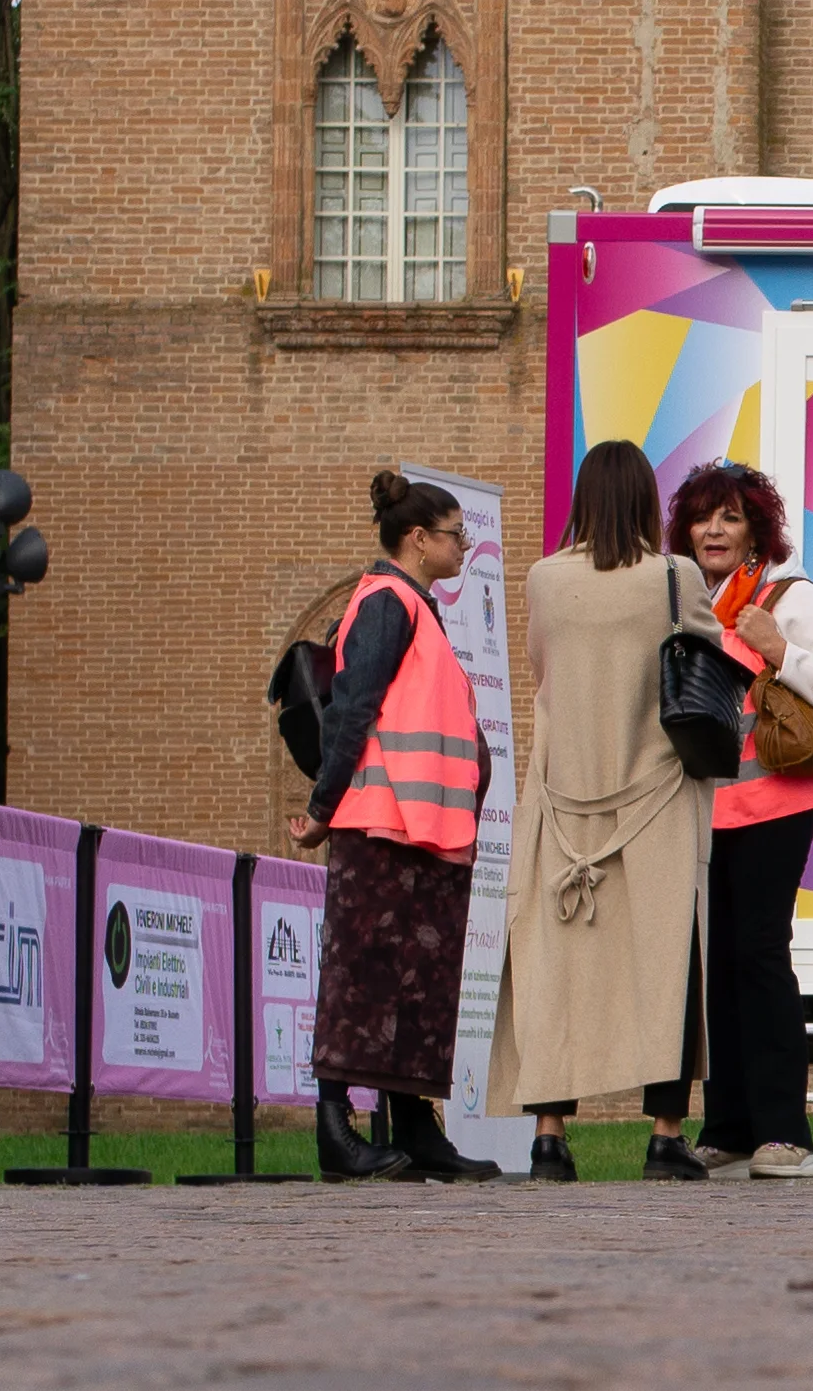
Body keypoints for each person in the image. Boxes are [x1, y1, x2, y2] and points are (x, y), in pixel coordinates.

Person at [487, 440, 712, 1180]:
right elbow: (710, 661)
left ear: (583, 498)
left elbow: (541, 668)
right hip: (656, 802)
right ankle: (664, 1134)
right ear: (648, 500)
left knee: (558, 973)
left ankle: (549, 1137)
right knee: (667, 965)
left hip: (563, 802)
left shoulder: (544, 580)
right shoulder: (676, 577)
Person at [289, 468, 496, 1182]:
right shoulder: (384, 602)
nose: (462, 546)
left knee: (417, 985)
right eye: (453, 535)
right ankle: (335, 1131)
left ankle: (415, 1126)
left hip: (427, 831)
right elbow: (351, 707)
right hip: (382, 824)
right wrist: (322, 807)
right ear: (417, 539)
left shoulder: (413, 605)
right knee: (363, 979)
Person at [675, 458, 813, 1181]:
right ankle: (728, 1128)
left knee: (759, 956)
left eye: (730, 515)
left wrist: (781, 650)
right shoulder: (694, 601)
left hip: (776, 807)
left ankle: (788, 1134)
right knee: (719, 969)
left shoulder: (790, 600)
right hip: (707, 813)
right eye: (703, 516)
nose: (714, 529)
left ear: (758, 528)